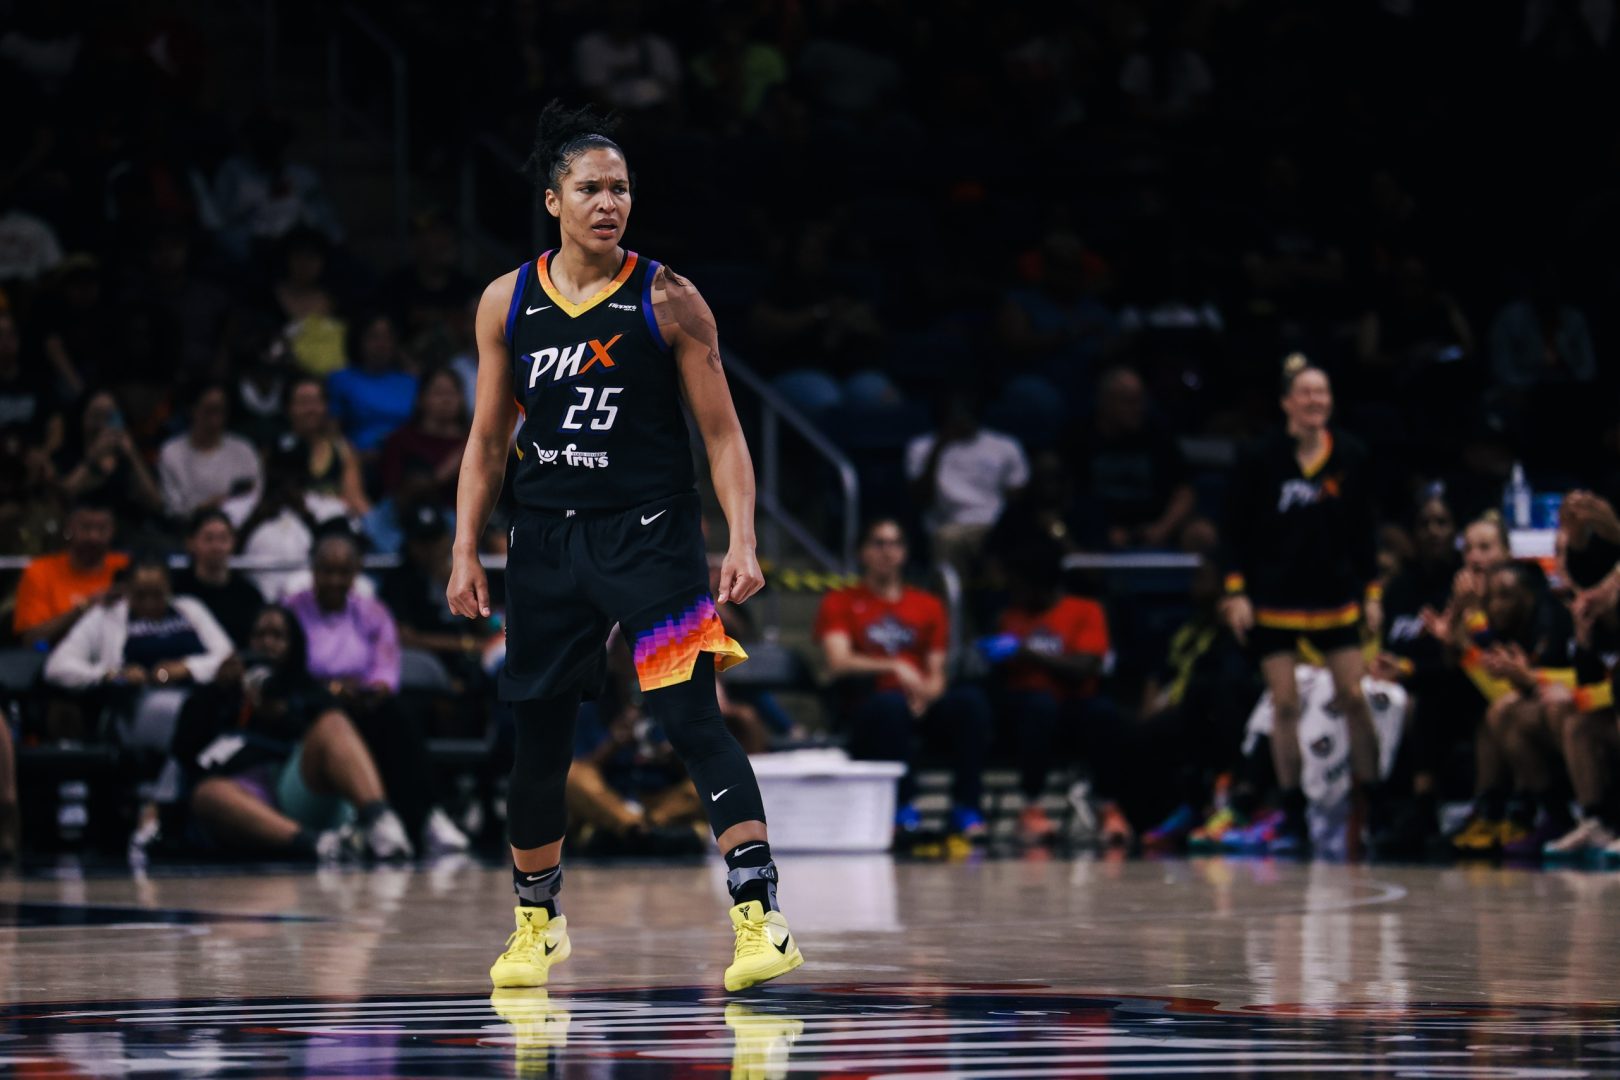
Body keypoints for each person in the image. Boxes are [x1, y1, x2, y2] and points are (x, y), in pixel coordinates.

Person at [446, 102, 796, 995]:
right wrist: (463, 550)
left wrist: (742, 537)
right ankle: (537, 924)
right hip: (545, 545)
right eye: (592, 188)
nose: (611, 202)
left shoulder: (669, 297)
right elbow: (487, 442)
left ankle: (761, 919)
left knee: (691, 717)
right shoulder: (506, 300)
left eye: (622, 188)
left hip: (650, 538)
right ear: (554, 200)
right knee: (539, 739)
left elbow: (721, 435)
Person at [1219, 354, 1383, 856]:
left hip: (1335, 597)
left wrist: (1372, 593)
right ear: (1288, 401)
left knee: (1355, 698)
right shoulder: (1259, 457)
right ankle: (1292, 809)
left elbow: (1365, 532)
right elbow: (1235, 530)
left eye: (1323, 393)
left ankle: (1371, 802)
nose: (1316, 401)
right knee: (1284, 705)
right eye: (1306, 393)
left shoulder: (1351, 455)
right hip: (1275, 600)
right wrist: (1235, 591)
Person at [170, 605, 413, 861]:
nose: (267, 643)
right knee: (206, 794)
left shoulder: (304, 686)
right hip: (240, 795)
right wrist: (216, 692)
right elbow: (182, 750)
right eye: (260, 635)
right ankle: (322, 846)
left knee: (333, 722)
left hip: (293, 788)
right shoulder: (219, 689)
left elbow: (333, 743)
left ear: (293, 643)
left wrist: (284, 716)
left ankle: (381, 823)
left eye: (278, 636)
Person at [285, 526, 468, 856]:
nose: (334, 581)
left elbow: (385, 666)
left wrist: (374, 690)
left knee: (396, 714)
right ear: (313, 571)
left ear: (355, 573)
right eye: (327, 571)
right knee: (337, 710)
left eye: (343, 572)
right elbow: (289, 669)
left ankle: (427, 817)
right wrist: (334, 689)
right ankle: (383, 819)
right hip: (310, 702)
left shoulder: (371, 611)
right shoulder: (292, 610)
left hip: (362, 700)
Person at [813, 518, 994, 839]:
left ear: (905, 553)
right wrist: (894, 666)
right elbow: (838, 662)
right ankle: (901, 808)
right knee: (891, 706)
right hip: (868, 706)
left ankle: (967, 807)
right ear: (862, 552)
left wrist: (927, 697)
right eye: (878, 543)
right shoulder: (840, 601)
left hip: (919, 703)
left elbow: (936, 671)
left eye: (895, 543)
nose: (887, 552)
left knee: (970, 703)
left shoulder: (928, 605)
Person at [43, 554, 234, 694]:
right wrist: (115, 675)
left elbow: (227, 658)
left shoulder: (190, 608)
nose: (149, 603)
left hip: (197, 693)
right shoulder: (105, 617)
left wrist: (186, 669)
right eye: (140, 595)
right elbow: (57, 667)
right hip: (133, 703)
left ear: (169, 588)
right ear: (127, 589)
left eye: (157, 595)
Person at [905, 390, 1030, 576]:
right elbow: (919, 498)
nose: (960, 415)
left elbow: (1020, 495)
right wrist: (939, 447)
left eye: (965, 409)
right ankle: (950, 603)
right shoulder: (921, 447)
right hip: (949, 526)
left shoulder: (1005, 446)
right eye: (954, 410)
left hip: (995, 523)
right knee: (948, 539)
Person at [12, 500, 129, 648]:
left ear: (113, 531)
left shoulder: (126, 567)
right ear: (69, 528)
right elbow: (31, 639)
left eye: (101, 529)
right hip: (55, 657)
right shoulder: (39, 571)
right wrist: (86, 607)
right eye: (86, 528)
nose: (93, 536)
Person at [157, 382, 262, 525]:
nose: (215, 419)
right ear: (193, 409)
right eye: (209, 410)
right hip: (187, 529)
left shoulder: (244, 450)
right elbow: (173, 507)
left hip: (238, 527)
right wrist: (206, 508)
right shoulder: (171, 452)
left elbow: (255, 495)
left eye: (220, 411)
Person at [170, 508, 265, 650]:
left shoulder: (249, 595)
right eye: (208, 539)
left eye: (223, 539)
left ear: (233, 543)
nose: (217, 547)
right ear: (190, 543)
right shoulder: (175, 591)